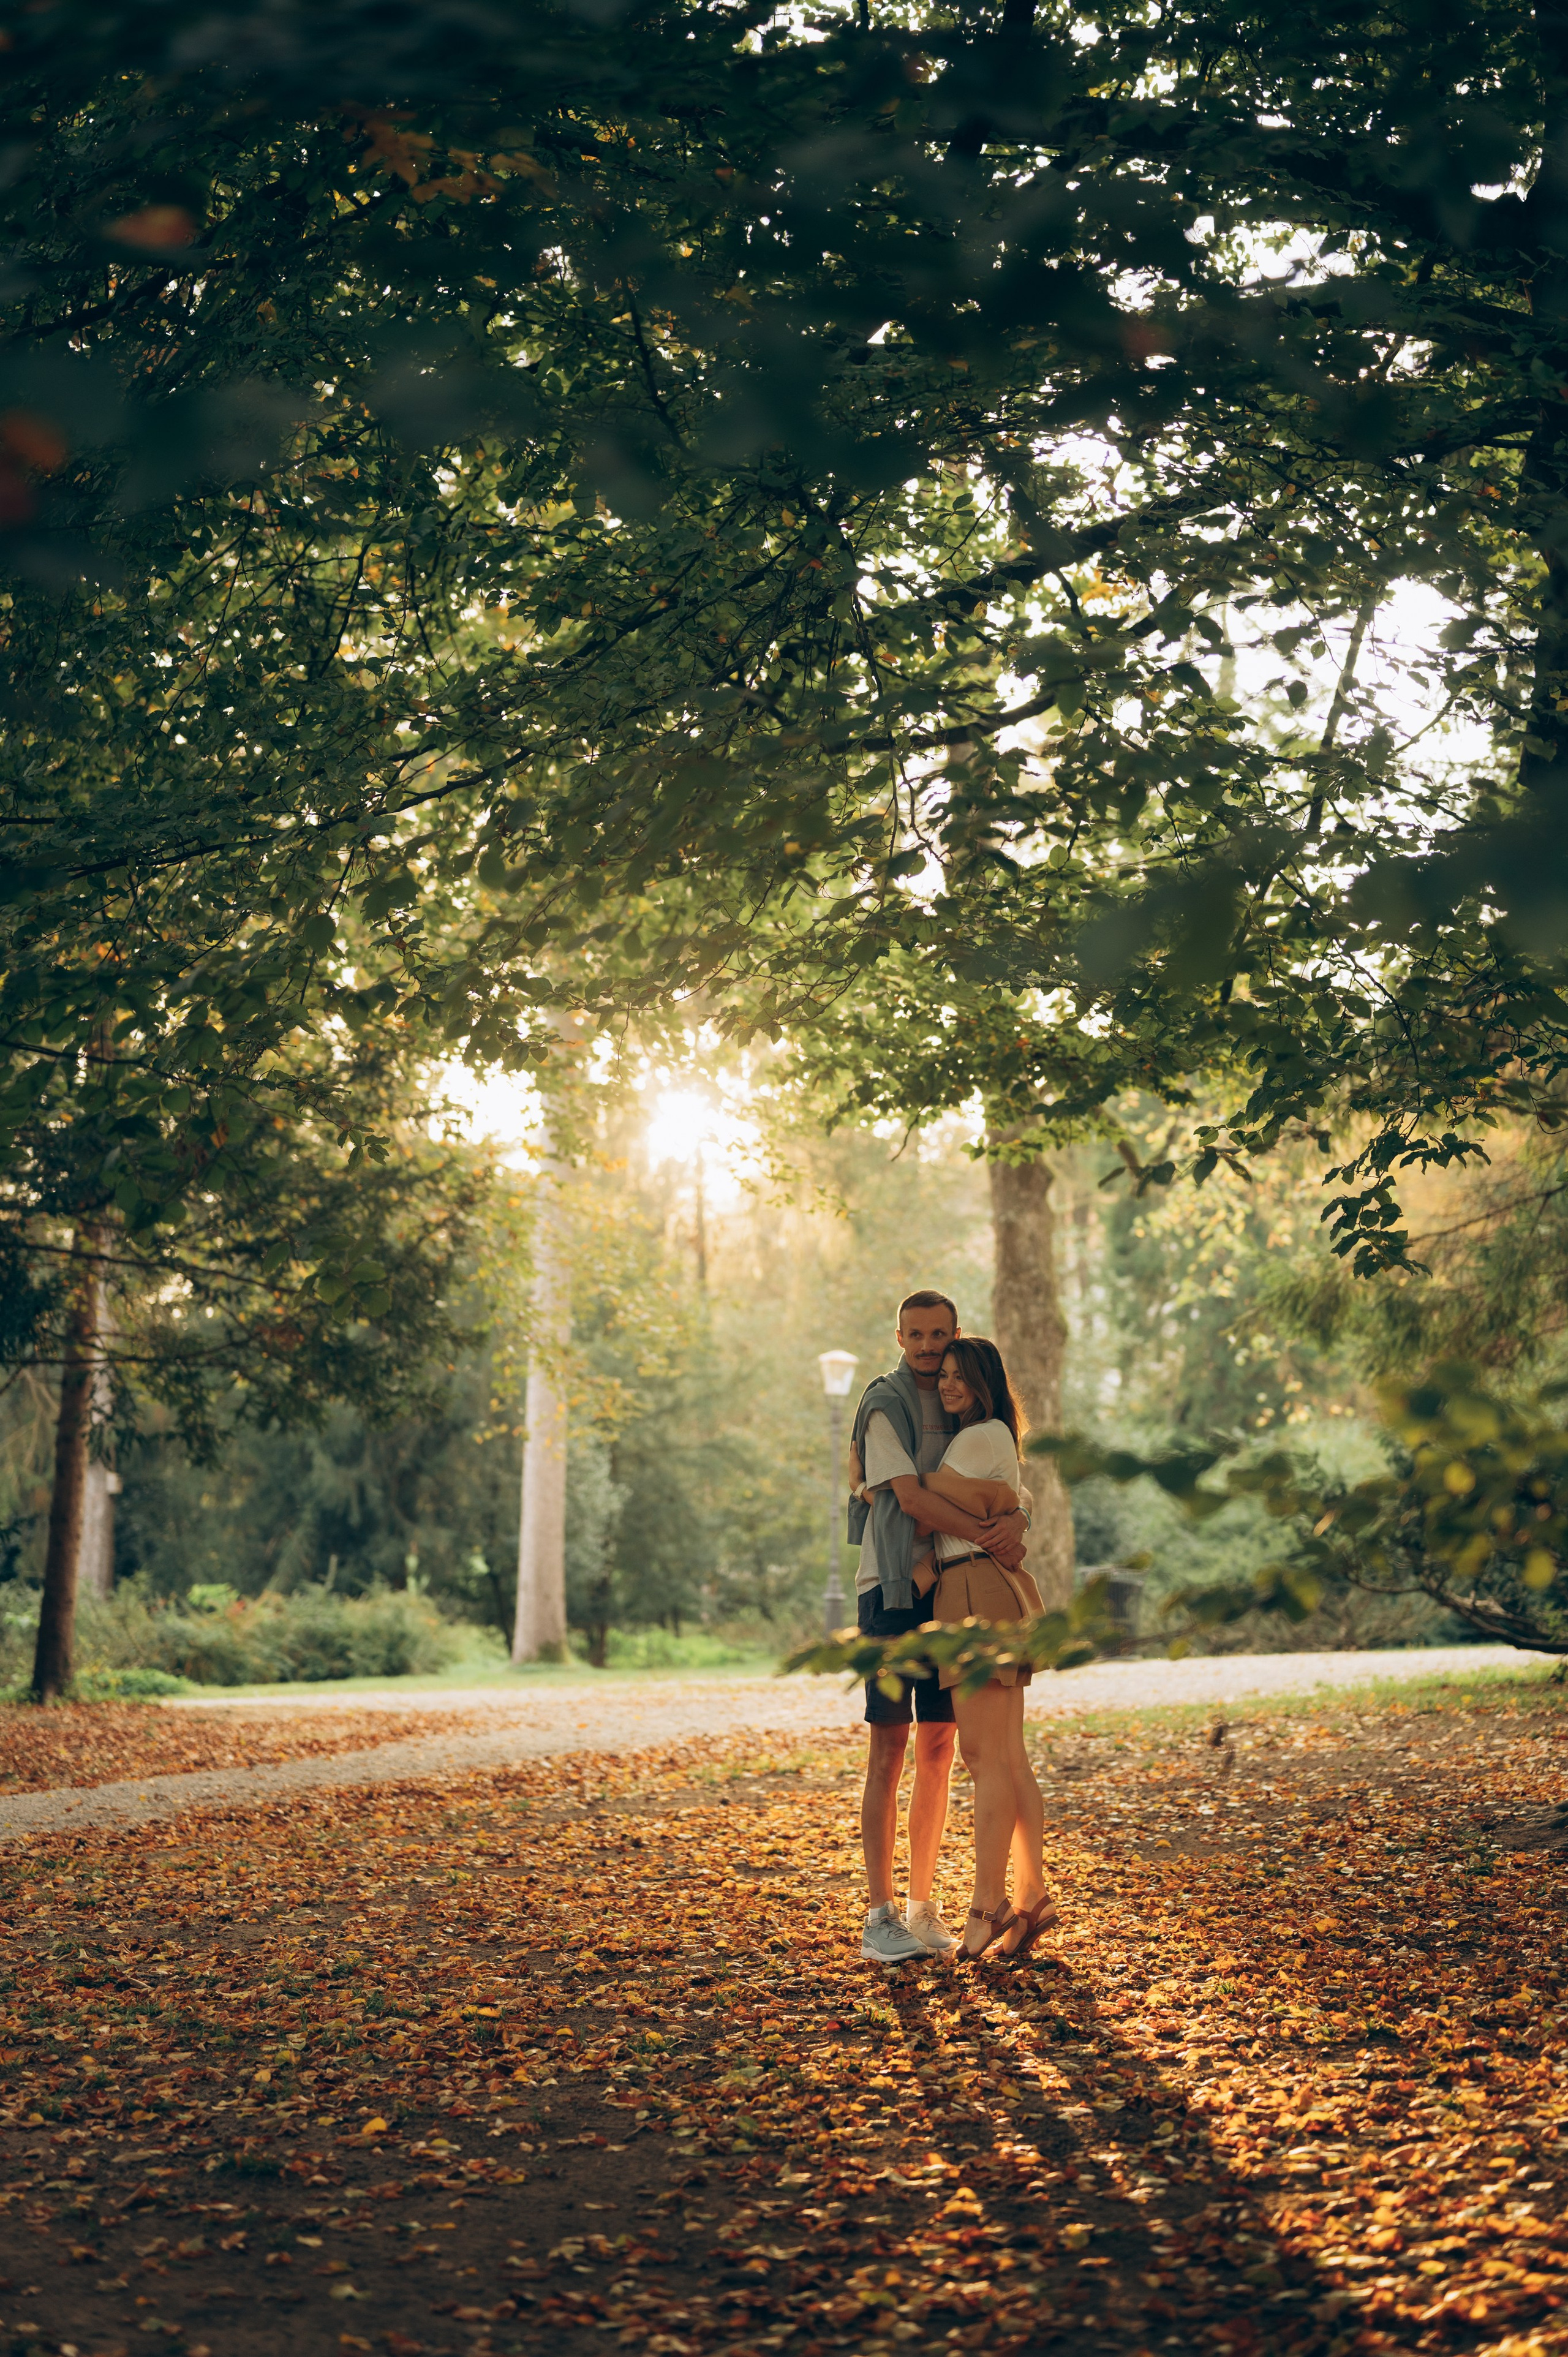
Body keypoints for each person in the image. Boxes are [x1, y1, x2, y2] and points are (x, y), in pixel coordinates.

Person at [846, 1291, 1032, 1963]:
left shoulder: (959, 1404)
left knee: (938, 1750)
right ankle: (879, 1914)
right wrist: (995, 1529)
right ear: (898, 1335)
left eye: (937, 1334)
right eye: (915, 1334)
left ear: (953, 1333)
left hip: (944, 1593)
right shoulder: (883, 1403)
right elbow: (913, 1498)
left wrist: (1017, 1519)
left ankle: (922, 1908)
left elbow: (986, 1476)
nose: (927, 1347)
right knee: (889, 1750)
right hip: (894, 1590)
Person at [892, 1337, 1058, 1962]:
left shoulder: (976, 1436)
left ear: (985, 1381)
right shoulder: (988, 1438)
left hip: (973, 1586)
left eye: (962, 1374)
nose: (950, 1383)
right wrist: (1009, 1507)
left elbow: (922, 1499)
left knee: (985, 1757)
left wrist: (885, 1482)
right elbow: (969, 1500)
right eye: (947, 1375)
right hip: (980, 1584)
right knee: (1007, 1758)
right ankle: (1032, 1895)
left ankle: (988, 1904)